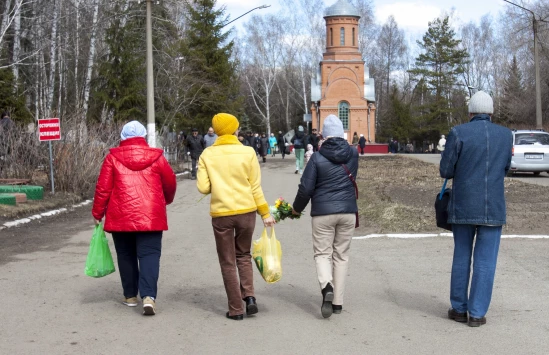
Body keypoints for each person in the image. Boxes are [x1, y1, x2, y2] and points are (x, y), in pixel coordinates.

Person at [439, 91, 512, 328]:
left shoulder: (459, 132)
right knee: (486, 261)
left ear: (471, 112)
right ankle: (477, 313)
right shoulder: (505, 135)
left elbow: (446, 170)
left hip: (463, 204)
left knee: (462, 256)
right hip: (493, 206)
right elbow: (506, 167)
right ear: (491, 112)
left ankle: (459, 309)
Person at [92, 121, 177, 316]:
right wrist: (165, 201)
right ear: (144, 136)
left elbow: (103, 188)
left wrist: (97, 213)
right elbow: (170, 183)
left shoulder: (112, 158)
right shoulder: (157, 157)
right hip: (150, 215)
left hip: (120, 215)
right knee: (149, 254)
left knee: (126, 255)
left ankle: (130, 296)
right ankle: (148, 297)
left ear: (122, 137)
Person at [196, 113, 275, 321]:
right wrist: (265, 212)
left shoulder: (207, 154)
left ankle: (236, 309)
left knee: (227, 261)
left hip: (222, 213)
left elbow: (203, 187)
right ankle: (249, 297)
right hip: (247, 211)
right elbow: (255, 187)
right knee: (243, 255)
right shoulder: (248, 152)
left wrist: (216, 182)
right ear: (234, 129)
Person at [292, 115, 359, 318]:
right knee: (341, 255)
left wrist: (296, 209)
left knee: (323, 253)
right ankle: (337, 302)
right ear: (342, 134)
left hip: (322, 213)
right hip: (348, 211)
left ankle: (326, 287)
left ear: (323, 135)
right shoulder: (354, 154)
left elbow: (306, 189)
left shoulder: (318, 158)